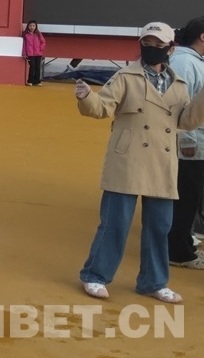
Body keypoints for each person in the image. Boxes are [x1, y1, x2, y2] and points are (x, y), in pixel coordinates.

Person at [75, 21, 204, 303]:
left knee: (160, 227)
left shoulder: (178, 84)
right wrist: (87, 98)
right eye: (147, 44)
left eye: (159, 45)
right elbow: (102, 108)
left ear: (170, 49)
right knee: (115, 224)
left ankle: (153, 282)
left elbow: (185, 121)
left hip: (162, 162)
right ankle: (95, 275)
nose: (152, 49)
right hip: (127, 159)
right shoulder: (125, 77)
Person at [167, 17, 204, 269]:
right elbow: (180, 107)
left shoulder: (193, 61)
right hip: (190, 146)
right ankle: (179, 252)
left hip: (195, 143)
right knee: (185, 199)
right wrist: (187, 143)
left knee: (189, 198)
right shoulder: (184, 62)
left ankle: (183, 243)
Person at [22, 20, 46, 86]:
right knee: (32, 67)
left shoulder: (38, 34)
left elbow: (43, 42)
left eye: (33, 26)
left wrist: (40, 49)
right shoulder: (26, 35)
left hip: (38, 54)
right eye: (30, 26)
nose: (32, 27)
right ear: (28, 26)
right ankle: (30, 81)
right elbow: (24, 45)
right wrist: (24, 53)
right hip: (30, 54)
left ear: (36, 27)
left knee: (37, 67)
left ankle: (37, 81)